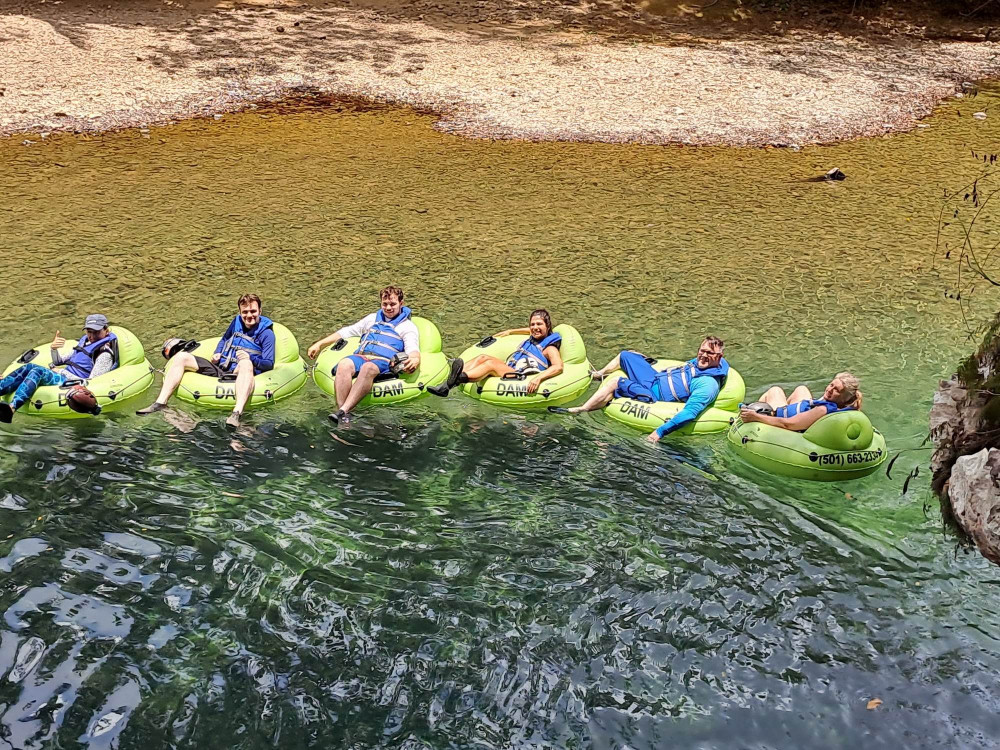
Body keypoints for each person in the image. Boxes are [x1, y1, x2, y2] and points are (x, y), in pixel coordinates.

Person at [550, 336, 730, 443]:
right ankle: (600, 374)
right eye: (702, 350)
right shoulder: (702, 363)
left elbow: (689, 413)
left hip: (653, 395)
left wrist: (659, 432)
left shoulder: (707, 383)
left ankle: (582, 408)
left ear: (719, 357)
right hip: (654, 379)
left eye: (709, 353)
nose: (703, 355)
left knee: (616, 382)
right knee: (627, 354)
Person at [136, 293, 275, 428]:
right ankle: (160, 403)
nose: (249, 315)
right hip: (221, 367)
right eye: (245, 312)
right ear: (240, 312)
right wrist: (217, 353)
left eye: (253, 311)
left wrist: (250, 358)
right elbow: (225, 339)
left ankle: (236, 413)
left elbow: (268, 364)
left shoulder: (267, 334)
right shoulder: (236, 322)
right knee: (181, 357)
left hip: (242, 372)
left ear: (260, 311)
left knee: (245, 363)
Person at [306, 285, 420, 426]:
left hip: (382, 361)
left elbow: (413, 349)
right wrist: (319, 344)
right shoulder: (372, 319)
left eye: (392, 304)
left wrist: (415, 360)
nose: (388, 308)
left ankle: (343, 411)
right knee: (344, 364)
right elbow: (346, 332)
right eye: (385, 304)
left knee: (368, 368)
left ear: (401, 304)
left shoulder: (407, 327)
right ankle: (342, 413)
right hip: (362, 356)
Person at [0, 314, 116, 423]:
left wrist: (61, 371)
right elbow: (59, 361)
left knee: (37, 371)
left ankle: (12, 408)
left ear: (106, 330)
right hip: (64, 375)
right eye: (89, 331)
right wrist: (53, 349)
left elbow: (91, 382)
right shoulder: (85, 343)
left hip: (74, 384)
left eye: (96, 332)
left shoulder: (104, 354)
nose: (91, 336)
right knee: (29, 366)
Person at [427, 309, 564, 397]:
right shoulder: (532, 337)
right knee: (483, 357)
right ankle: (449, 382)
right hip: (513, 369)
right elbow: (528, 330)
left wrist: (539, 378)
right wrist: (511, 331)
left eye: (539, 324)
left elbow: (558, 367)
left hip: (522, 377)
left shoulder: (549, 349)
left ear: (548, 326)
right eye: (532, 324)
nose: (535, 328)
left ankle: (458, 378)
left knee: (490, 364)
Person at [738, 372, 862, 432]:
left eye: (837, 390)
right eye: (831, 385)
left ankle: (750, 422)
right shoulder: (838, 406)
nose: (829, 390)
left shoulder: (823, 409)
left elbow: (789, 425)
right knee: (801, 389)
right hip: (801, 413)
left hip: (782, 419)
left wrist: (756, 417)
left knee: (775, 391)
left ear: (844, 398)